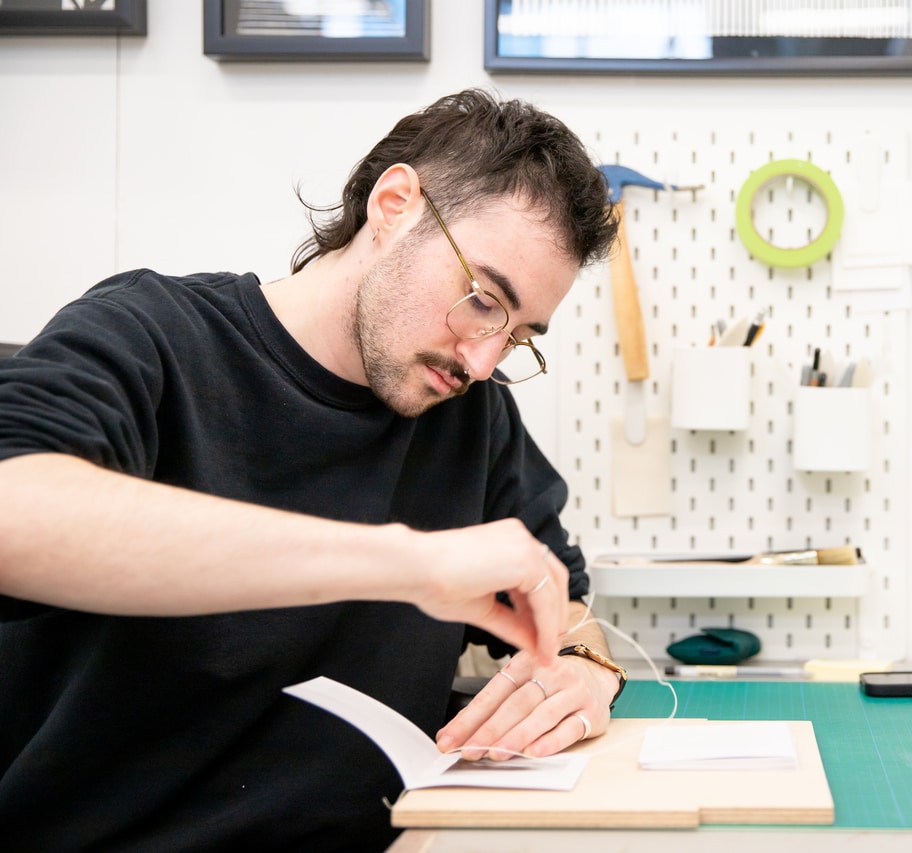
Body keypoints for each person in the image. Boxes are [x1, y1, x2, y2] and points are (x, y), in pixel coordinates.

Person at [0, 88, 623, 852]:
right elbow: (15, 510)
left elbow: (562, 598)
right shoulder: (153, 336)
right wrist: (404, 562)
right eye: (481, 299)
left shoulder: (470, 413)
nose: (482, 358)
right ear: (394, 205)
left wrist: (587, 668)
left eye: (519, 334)